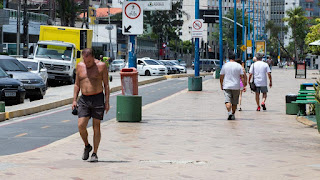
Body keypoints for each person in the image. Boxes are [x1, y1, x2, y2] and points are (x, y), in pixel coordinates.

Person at [72, 48, 110, 162]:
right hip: (84, 99)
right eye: (85, 60)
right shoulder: (80, 66)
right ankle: (87, 145)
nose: (87, 63)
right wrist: (74, 100)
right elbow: (77, 84)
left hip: (98, 97)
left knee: (96, 126)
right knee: (81, 125)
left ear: (93, 58)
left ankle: (95, 153)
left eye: (89, 61)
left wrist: (107, 102)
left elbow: (106, 85)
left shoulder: (102, 66)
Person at [220, 52, 247, 120]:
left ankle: (229, 112)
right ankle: (233, 113)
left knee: (227, 101)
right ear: (235, 58)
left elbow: (221, 76)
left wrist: (221, 84)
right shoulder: (238, 66)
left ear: (229, 58)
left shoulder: (225, 65)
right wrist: (243, 85)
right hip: (236, 86)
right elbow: (242, 77)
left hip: (227, 86)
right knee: (235, 102)